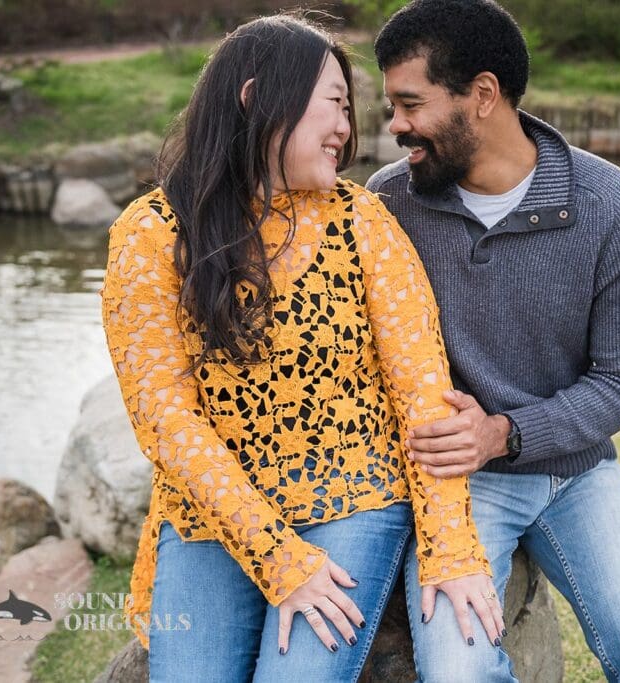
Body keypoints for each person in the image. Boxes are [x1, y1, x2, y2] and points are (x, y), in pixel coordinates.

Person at [100, 14, 504, 682]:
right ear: (256, 98)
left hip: (354, 495)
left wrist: (450, 548)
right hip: (210, 514)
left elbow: (423, 393)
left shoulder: (361, 221)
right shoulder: (150, 235)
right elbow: (165, 419)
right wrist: (278, 558)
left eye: (351, 109)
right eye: (335, 105)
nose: (349, 128)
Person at [366, 1, 620, 680]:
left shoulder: (611, 204)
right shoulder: (388, 204)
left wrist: (504, 431)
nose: (396, 126)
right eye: (391, 105)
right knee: (455, 670)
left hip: (578, 474)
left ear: (482, 95)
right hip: (459, 491)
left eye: (411, 103)